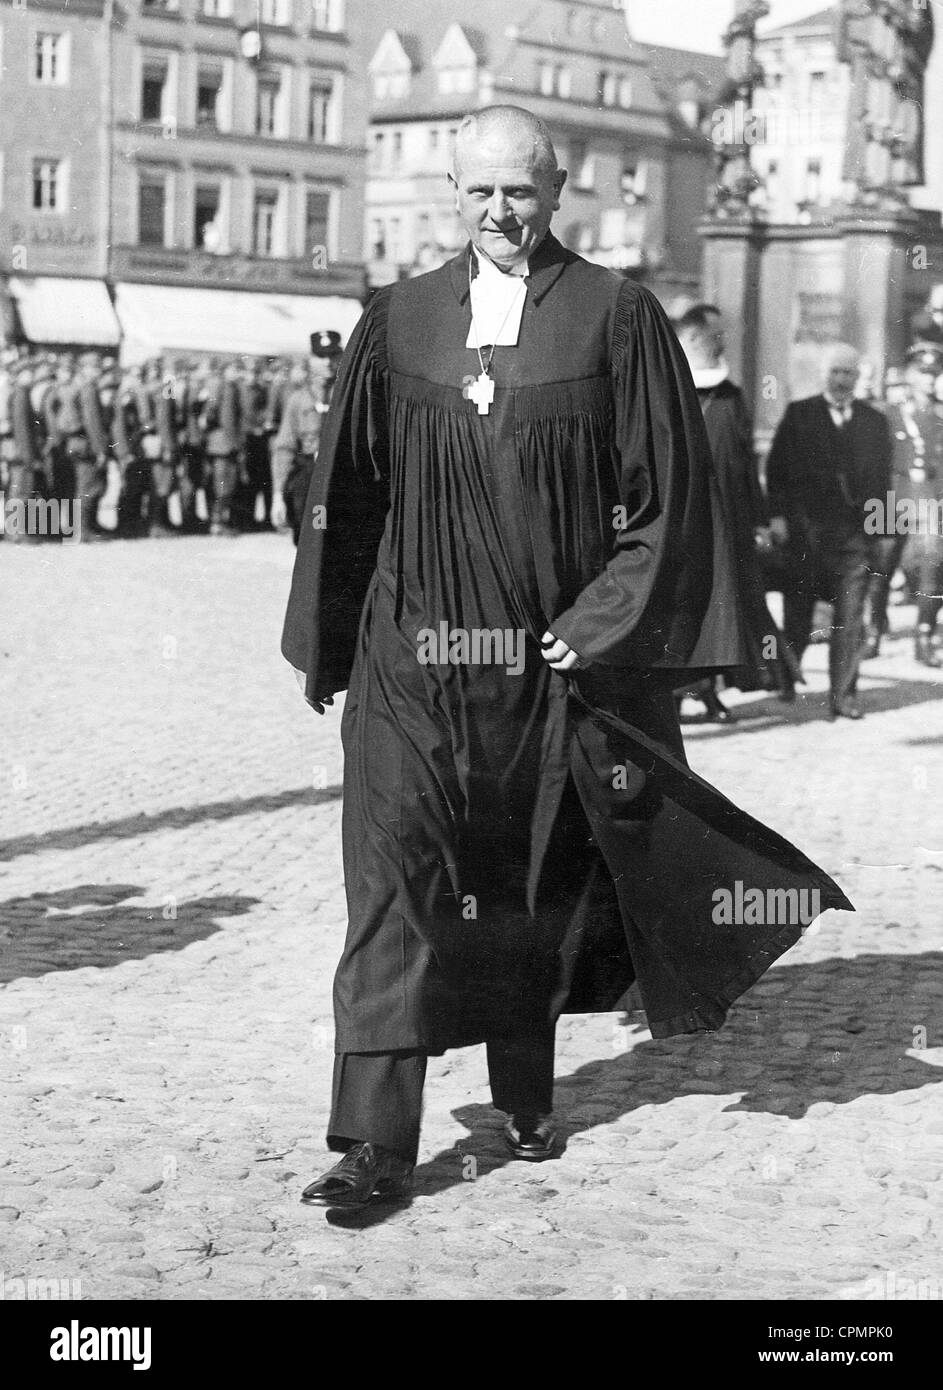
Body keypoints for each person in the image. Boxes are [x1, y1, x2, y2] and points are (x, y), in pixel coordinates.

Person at [282, 106, 851, 1211]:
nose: (503, 212)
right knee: (389, 886)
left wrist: (597, 620)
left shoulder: (614, 316)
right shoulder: (394, 321)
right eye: (482, 191)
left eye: (523, 192)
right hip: (411, 662)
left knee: (524, 889)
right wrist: (333, 639)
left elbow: (666, 501)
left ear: (558, 192)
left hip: (540, 675)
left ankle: (524, 1083)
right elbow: (342, 496)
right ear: (455, 190)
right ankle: (374, 1144)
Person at [674, 303, 798, 716]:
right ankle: (680, 692)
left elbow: (746, 465)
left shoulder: (732, 396)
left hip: (728, 523)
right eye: (715, 335)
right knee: (681, 606)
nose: (723, 341)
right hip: (678, 522)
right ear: (691, 338)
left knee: (722, 608)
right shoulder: (664, 387)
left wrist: (759, 520)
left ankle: (708, 689)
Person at [765, 343, 892, 720]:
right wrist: (777, 518)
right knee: (799, 613)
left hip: (855, 538)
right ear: (825, 375)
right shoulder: (800, 414)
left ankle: (843, 695)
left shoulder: (874, 421)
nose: (841, 380)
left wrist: (881, 531)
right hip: (808, 534)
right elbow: (776, 472)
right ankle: (787, 676)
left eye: (848, 373)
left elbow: (882, 481)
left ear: (858, 378)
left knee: (850, 617)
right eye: (835, 372)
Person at [865, 344, 943, 665]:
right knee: (882, 562)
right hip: (893, 494)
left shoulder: (940, 414)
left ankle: (924, 635)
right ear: (909, 375)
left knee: (931, 563)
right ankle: (874, 632)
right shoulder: (890, 413)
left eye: (934, 373)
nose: (929, 379)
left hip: (928, 494)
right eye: (923, 373)